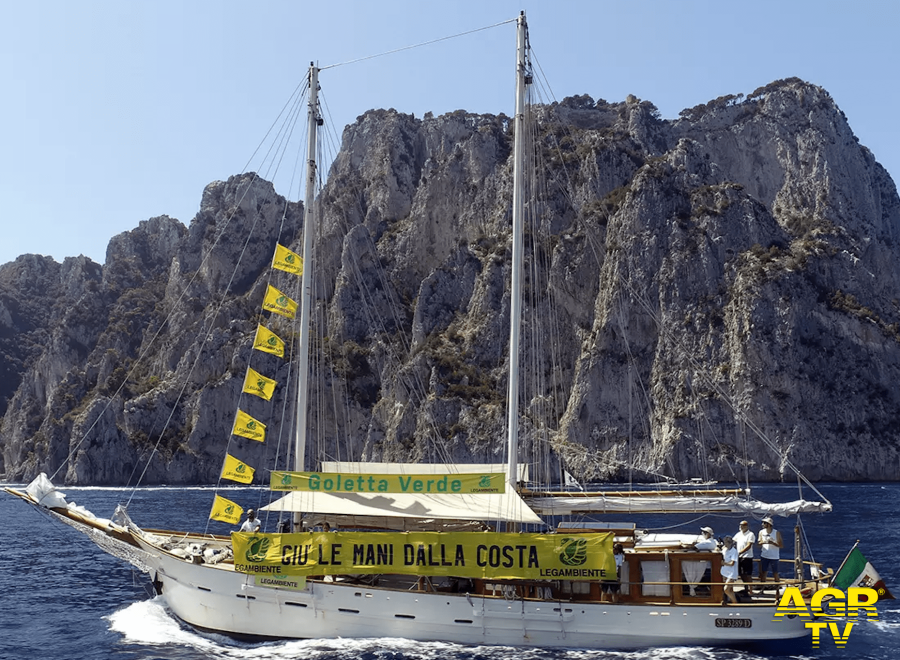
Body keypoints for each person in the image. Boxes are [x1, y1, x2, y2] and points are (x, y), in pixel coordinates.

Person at [757, 516, 783, 586]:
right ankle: (762, 589)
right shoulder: (761, 532)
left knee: (775, 573)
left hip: (774, 557)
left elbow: (781, 545)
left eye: (764, 523)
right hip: (764, 555)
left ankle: (777, 588)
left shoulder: (776, 533)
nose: (762, 524)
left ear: (769, 524)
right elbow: (759, 543)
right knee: (763, 573)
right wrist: (764, 542)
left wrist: (773, 542)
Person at [733, 520, 756, 594]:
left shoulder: (750, 534)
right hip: (739, 557)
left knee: (748, 574)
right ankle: (746, 589)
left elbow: (749, 545)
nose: (741, 526)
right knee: (741, 573)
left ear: (746, 526)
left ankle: (751, 590)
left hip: (747, 557)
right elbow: (733, 541)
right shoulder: (738, 534)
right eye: (740, 525)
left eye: (743, 525)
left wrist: (740, 552)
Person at [720, 536, 738, 603]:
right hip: (724, 572)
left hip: (732, 573)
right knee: (730, 590)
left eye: (728, 543)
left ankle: (735, 603)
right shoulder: (724, 550)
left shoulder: (734, 551)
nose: (726, 544)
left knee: (726, 589)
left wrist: (723, 563)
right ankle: (732, 602)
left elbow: (732, 563)